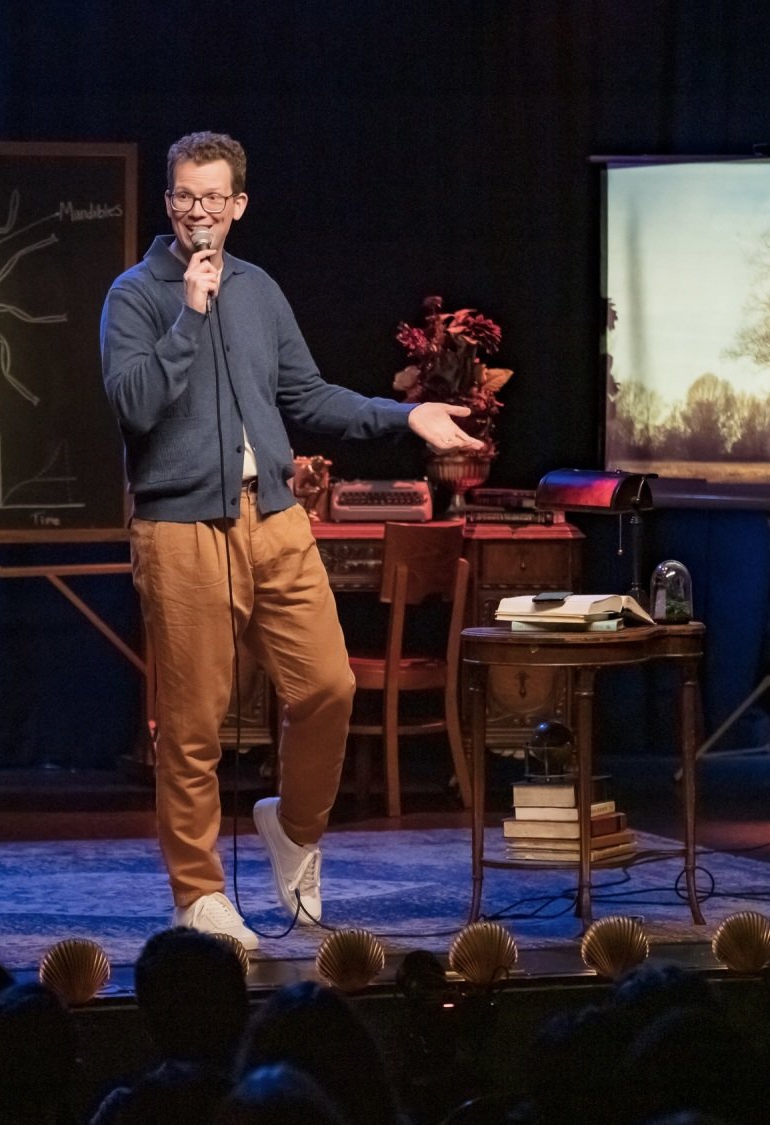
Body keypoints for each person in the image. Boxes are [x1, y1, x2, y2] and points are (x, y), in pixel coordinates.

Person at [100, 131, 483, 943]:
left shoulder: (262, 290)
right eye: (183, 196)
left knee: (328, 687)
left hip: (274, 516)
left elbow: (306, 397)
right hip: (180, 526)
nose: (197, 211)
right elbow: (134, 406)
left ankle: (295, 829)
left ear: (238, 206)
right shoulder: (135, 295)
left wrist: (404, 415)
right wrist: (187, 313)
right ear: (168, 201)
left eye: (213, 198)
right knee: (196, 721)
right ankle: (198, 893)